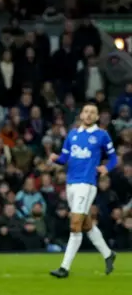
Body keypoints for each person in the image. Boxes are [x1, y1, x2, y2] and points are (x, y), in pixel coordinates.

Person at [48, 102, 117, 278]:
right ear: (81, 115)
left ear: (97, 117)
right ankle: (108, 254)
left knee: (75, 224)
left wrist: (106, 168)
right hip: (71, 183)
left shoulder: (101, 135)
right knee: (86, 224)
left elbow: (114, 157)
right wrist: (55, 158)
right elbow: (64, 158)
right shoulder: (72, 134)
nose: (88, 115)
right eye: (86, 111)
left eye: (92, 112)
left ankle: (64, 268)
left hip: (87, 183)